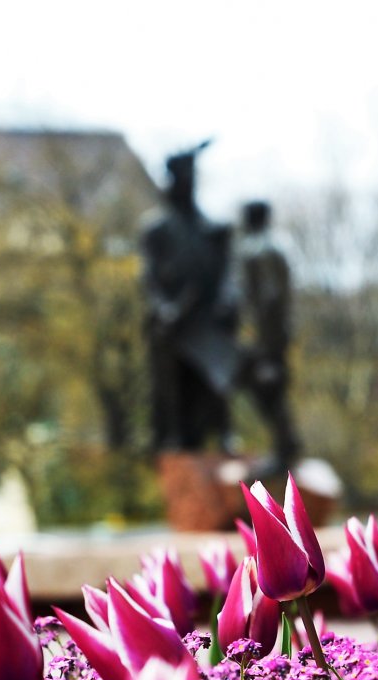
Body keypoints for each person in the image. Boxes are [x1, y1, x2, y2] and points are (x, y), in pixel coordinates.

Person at [141, 144, 238, 453]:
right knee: (175, 389)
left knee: (215, 379)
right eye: (184, 176)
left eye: (192, 176)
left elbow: (229, 275)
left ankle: (222, 432)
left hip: (208, 321)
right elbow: (150, 279)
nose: (190, 182)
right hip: (176, 324)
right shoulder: (157, 230)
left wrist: (228, 299)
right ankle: (173, 439)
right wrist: (166, 309)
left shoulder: (213, 230)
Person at [236, 199, 301, 469]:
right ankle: (286, 446)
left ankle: (286, 449)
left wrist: (263, 344)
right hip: (279, 330)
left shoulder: (257, 249)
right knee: (272, 389)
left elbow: (268, 296)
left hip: (265, 334)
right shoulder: (279, 245)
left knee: (265, 387)